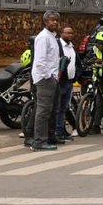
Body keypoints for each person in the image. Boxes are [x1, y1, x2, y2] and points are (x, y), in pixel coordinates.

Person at [28, 10, 62, 151]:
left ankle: (46, 137)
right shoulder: (43, 37)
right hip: (44, 78)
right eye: (51, 20)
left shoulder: (52, 37)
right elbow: (40, 61)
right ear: (45, 21)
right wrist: (49, 76)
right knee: (43, 111)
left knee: (50, 110)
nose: (54, 22)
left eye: (56, 20)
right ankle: (39, 142)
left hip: (51, 77)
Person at [54, 26, 78, 143]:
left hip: (69, 81)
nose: (69, 35)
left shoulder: (72, 47)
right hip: (60, 82)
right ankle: (57, 132)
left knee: (64, 107)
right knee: (57, 108)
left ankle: (61, 131)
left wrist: (76, 75)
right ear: (62, 33)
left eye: (71, 33)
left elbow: (76, 62)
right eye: (67, 33)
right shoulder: (57, 45)